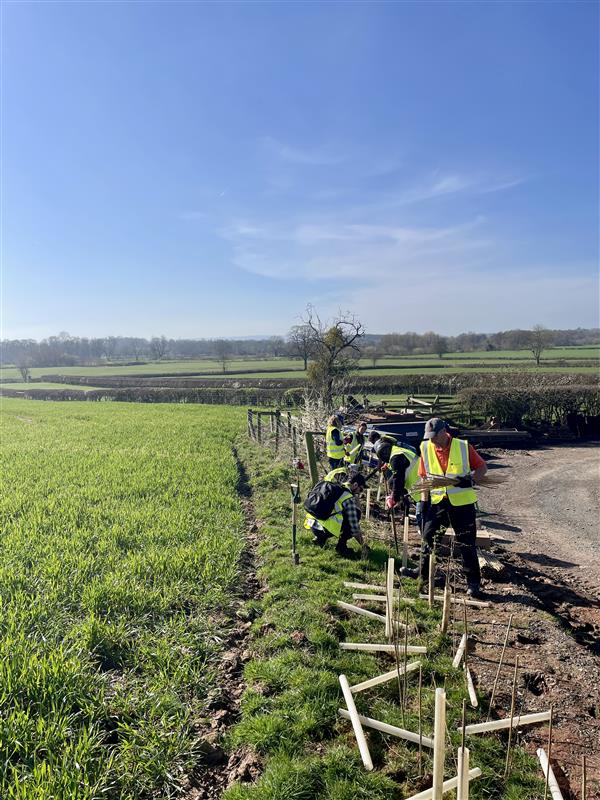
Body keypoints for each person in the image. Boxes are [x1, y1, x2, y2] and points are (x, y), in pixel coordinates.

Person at [406, 417, 488, 598]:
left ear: (444, 432)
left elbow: (482, 467)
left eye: (434, 436)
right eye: (429, 436)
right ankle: (423, 576)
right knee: (429, 540)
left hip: (462, 504)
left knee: (467, 544)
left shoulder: (462, 447)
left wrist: (472, 478)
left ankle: (473, 583)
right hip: (438, 503)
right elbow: (424, 478)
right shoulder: (426, 447)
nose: (432, 440)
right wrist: (423, 504)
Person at [304, 473, 369, 558]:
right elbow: (354, 527)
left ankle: (319, 539)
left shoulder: (335, 486)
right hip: (325, 529)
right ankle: (341, 547)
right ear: (355, 485)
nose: (359, 493)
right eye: (360, 490)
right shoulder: (348, 498)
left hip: (311, 524)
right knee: (356, 514)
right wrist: (363, 545)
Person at [372, 436, 420, 509]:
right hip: (422, 486)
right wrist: (388, 465)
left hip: (422, 489)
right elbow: (402, 464)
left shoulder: (396, 457)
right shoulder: (397, 451)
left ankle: (402, 504)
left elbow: (398, 478)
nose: (385, 454)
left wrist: (394, 498)